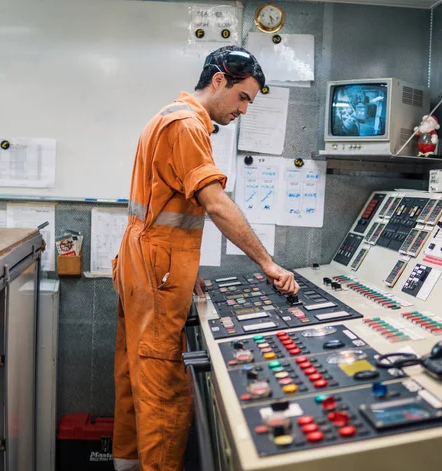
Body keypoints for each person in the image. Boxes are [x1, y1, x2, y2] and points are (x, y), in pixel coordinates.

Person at [111, 45, 300, 471]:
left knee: (133, 375)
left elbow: (165, 211)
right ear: (219, 80)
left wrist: (184, 268)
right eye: (243, 97)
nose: (245, 110)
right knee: (163, 385)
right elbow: (215, 204)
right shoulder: (187, 126)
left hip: (144, 263)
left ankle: (126, 462)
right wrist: (267, 263)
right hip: (156, 269)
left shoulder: (169, 116)